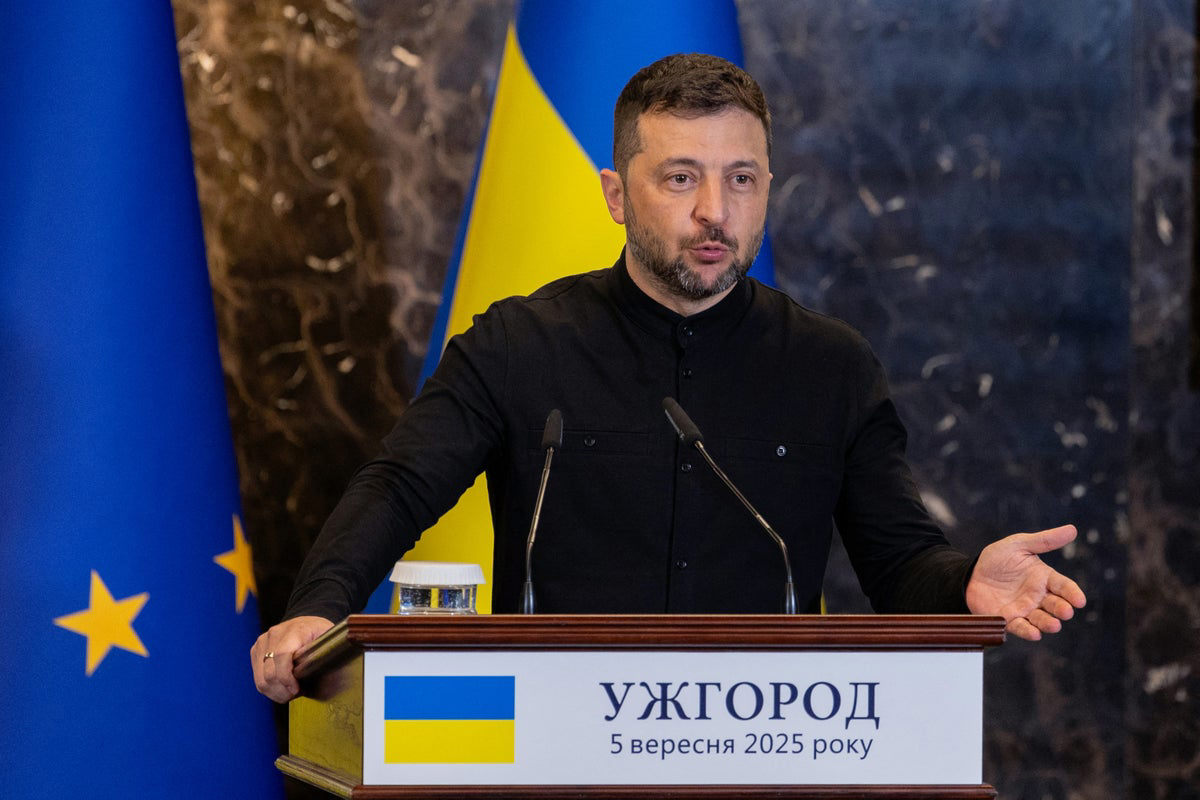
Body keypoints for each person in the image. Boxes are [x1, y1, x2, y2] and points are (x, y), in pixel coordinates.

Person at [252, 54, 1086, 703]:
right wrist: (319, 606)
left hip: (764, 752)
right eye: (681, 177)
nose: (715, 211)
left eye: (741, 179)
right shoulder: (517, 345)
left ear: (768, 189)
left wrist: (964, 583)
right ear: (616, 194)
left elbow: (899, 565)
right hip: (547, 746)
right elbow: (400, 486)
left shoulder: (831, 367)